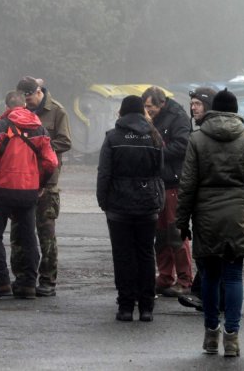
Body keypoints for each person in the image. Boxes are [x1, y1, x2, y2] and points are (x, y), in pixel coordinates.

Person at [176, 88, 244, 357]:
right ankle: (232, 337)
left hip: (206, 216)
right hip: (238, 215)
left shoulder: (197, 139)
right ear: (236, 111)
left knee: (210, 276)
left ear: (214, 109)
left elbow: (188, 184)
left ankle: (210, 335)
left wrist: (182, 222)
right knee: (233, 277)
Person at [0, 91, 58, 300]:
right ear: (25, 104)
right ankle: (28, 284)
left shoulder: (0, 126)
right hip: (29, 192)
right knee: (28, 237)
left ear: (6, 105)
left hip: (3, 190)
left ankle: (3, 281)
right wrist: (40, 183)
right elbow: (51, 162)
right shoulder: (40, 128)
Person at [96, 95, 164, 321]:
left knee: (123, 255)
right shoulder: (154, 136)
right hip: (147, 205)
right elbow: (159, 171)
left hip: (119, 206)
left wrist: (103, 200)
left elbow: (104, 173)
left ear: (121, 113)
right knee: (146, 254)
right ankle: (146, 308)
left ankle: (125, 306)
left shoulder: (113, 137)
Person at [13, 76, 71, 297]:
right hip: (21, 178)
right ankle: (22, 276)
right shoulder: (19, 110)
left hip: (46, 180)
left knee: (46, 231)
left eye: (30, 96)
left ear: (39, 92)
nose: (27, 101)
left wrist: (38, 147)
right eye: (23, 98)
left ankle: (48, 279)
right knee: (19, 231)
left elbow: (65, 141)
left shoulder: (56, 111)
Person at [141, 85, 193, 297]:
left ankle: (184, 279)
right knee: (160, 234)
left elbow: (182, 146)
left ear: (161, 103)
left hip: (173, 183)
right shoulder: (151, 119)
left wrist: (156, 154)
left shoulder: (178, 117)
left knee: (176, 233)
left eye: (150, 106)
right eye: (145, 107)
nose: (147, 110)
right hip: (157, 183)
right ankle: (164, 277)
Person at [178, 86, 218, 312]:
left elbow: (191, 176)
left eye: (198, 104)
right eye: (192, 103)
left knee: (208, 253)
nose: (193, 108)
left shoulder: (201, 138)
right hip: (215, 204)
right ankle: (203, 293)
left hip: (207, 204)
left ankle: (206, 296)